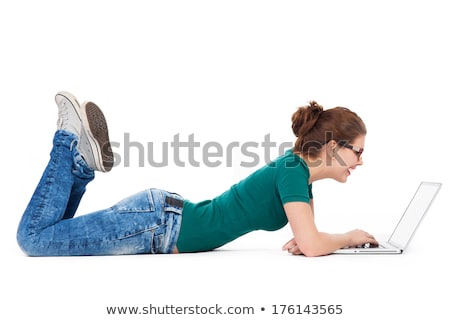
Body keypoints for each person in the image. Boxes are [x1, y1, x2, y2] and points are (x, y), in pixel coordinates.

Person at [16, 92, 378, 257]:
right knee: (33, 239)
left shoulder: (298, 176)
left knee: (47, 235)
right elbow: (313, 244)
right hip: (157, 223)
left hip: (160, 221)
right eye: (357, 151)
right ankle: (67, 139)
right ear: (333, 147)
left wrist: (314, 240)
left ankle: (80, 163)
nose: (361, 161)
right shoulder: (291, 172)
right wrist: (347, 237)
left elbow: (307, 239)